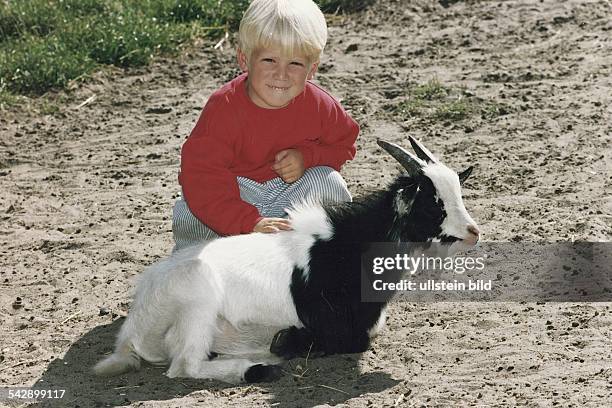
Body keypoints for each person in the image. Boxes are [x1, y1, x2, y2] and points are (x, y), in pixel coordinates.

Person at [172, 0, 359, 252]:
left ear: (311, 69)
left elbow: (343, 145)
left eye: (295, 64)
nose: (281, 74)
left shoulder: (320, 105)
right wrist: (248, 221)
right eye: (269, 60)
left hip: (287, 195)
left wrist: (308, 157)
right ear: (244, 59)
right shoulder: (224, 108)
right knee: (191, 210)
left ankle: (310, 258)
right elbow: (203, 176)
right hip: (234, 195)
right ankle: (216, 264)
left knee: (329, 183)